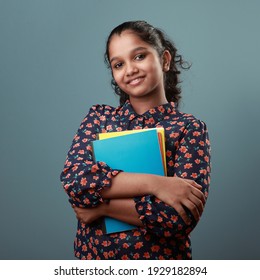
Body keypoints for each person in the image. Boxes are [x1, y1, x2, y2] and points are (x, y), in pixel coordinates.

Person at [60, 20, 211, 260]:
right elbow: (75, 180)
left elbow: (180, 217)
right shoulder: (99, 118)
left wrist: (102, 207)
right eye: (118, 64)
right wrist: (158, 184)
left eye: (139, 56)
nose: (129, 69)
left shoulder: (189, 129)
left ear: (164, 59)